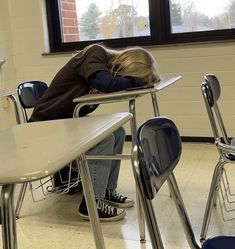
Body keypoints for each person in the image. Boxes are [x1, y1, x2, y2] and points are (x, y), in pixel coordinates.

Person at [29, 43, 160, 221]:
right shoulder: (95, 53)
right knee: (103, 139)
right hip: (45, 126)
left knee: (118, 131)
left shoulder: (101, 67)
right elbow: (104, 83)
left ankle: (106, 190)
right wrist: (136, 82)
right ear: (126, 65)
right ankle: (91, 204)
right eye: (130, 76)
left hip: (66, 122)